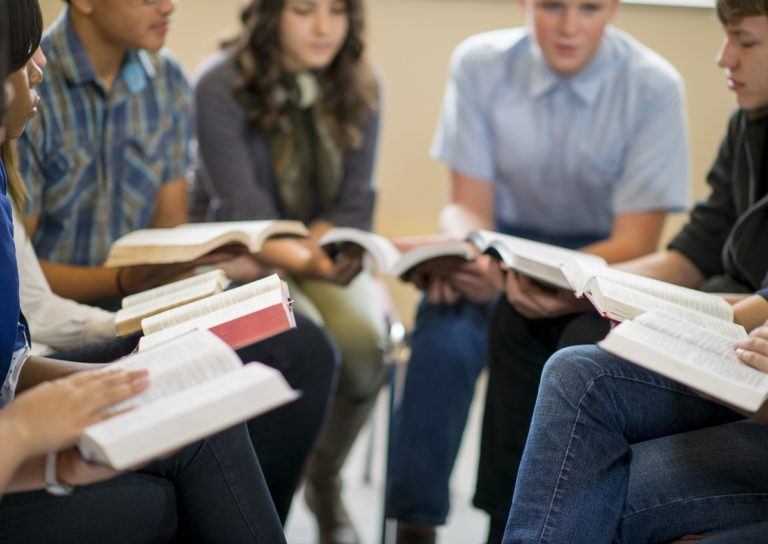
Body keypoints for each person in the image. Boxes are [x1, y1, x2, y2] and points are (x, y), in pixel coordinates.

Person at [16, 0, 339, 522]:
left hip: (142, 288)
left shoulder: (166, 80)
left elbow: (167, 233)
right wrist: (138, 283)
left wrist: (202, 266)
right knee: (213, 375)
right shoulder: (26, 86)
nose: (169, 5)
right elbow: (26, 281)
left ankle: (257, 521)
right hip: (67, 308)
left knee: (303, 345)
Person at [386, 0, 690, 541]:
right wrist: (476, 254)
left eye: (589, 8)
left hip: (600, 264)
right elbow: (466, 205)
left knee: (561, 345)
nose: (569, 26)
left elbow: (637, 240)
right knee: (444, 332)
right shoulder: (479, 63)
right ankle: (414, 523)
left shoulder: (653, 86)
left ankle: (512, 527)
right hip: (499, 247)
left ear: (615, 8)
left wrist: (522, 279)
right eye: (551, 5)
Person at [502, 0, 768, 540]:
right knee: (537, 330)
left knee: (584, 386)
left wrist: (682, 319)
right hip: (740, 328)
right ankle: (496, 515)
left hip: (744, 342)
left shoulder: (654, 85)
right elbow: (693, 249)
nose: (723, 58)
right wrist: (587, 282)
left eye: (745, 41)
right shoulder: (749, 124)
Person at [193, 1, 386, 542]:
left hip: (321, 247)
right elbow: (243, 208)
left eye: (338, 11)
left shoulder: (362, 84)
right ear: (271, 13)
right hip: (242, 252)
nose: (324, 27)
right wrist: (306, 259)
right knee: (308, 340)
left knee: (366, 345)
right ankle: (268, 492)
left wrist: (320, 254)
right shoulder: (218, 84)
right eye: (304, 10)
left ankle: (323, 480)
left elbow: (353, 203)